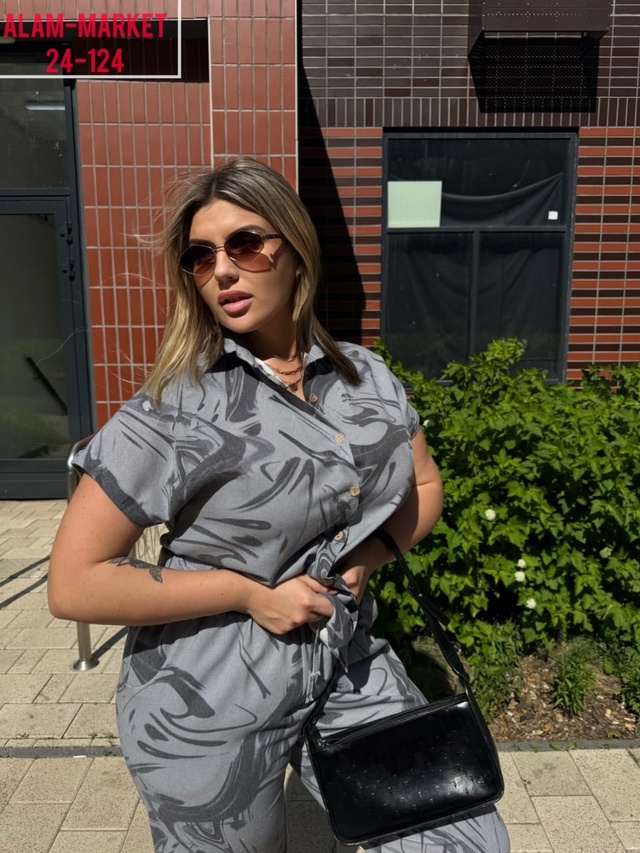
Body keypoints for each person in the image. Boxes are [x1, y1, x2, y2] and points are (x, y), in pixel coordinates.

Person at [48, 157, 510, 853]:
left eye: (246, 244)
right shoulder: (174, 410)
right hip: (207, 697)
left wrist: (365, 559)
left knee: (467, 841)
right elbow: (73, 582)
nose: (223, 271)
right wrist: (248, 593)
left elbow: (423, 487)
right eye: (201, 256)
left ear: (294, 249)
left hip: (342, 663)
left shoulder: (365, 377)